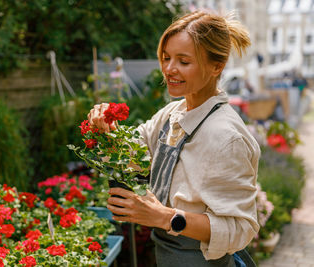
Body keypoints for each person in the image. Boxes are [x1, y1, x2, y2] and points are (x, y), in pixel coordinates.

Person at [88, 10, 260, 267]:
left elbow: (239, 228)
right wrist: (105, 128)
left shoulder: (227, 137)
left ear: (217, 66)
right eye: (166, 58)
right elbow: (133, 155)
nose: (169, 69)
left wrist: (166, 217)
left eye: (183, 61)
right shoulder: (172, 114)